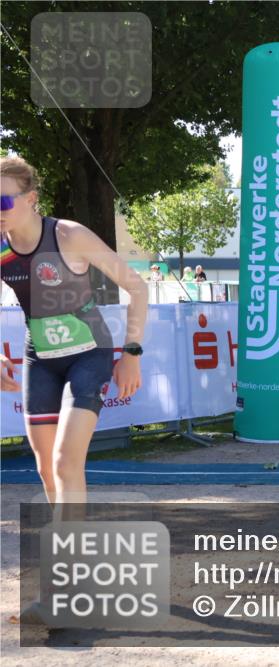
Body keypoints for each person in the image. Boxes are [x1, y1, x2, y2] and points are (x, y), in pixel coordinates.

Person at [0, 156, 148, 511]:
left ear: (31, 198)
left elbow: (137, 287)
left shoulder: (68, 235)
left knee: (67, 462)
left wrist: (131, 354)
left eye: (4, 200)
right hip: (40, 359)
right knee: (46, 469)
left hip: (89, 354)